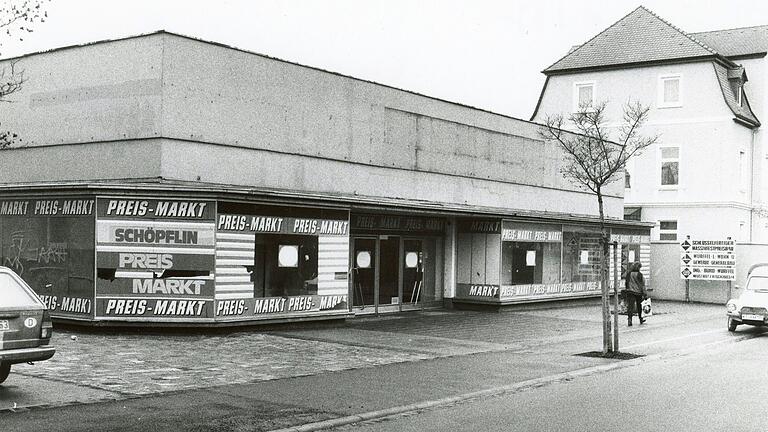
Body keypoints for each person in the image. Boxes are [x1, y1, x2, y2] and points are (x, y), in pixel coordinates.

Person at [624, 261, 647, 326]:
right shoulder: (640, 275)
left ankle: (630, 319)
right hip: (638, 293)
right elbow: (643, 285)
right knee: (639, 306)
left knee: (630, 306)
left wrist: (627, 289)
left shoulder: (629, 274)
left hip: (630, 292)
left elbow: (626, 283)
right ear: (639, 267)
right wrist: (645, 293)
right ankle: (641, 319)